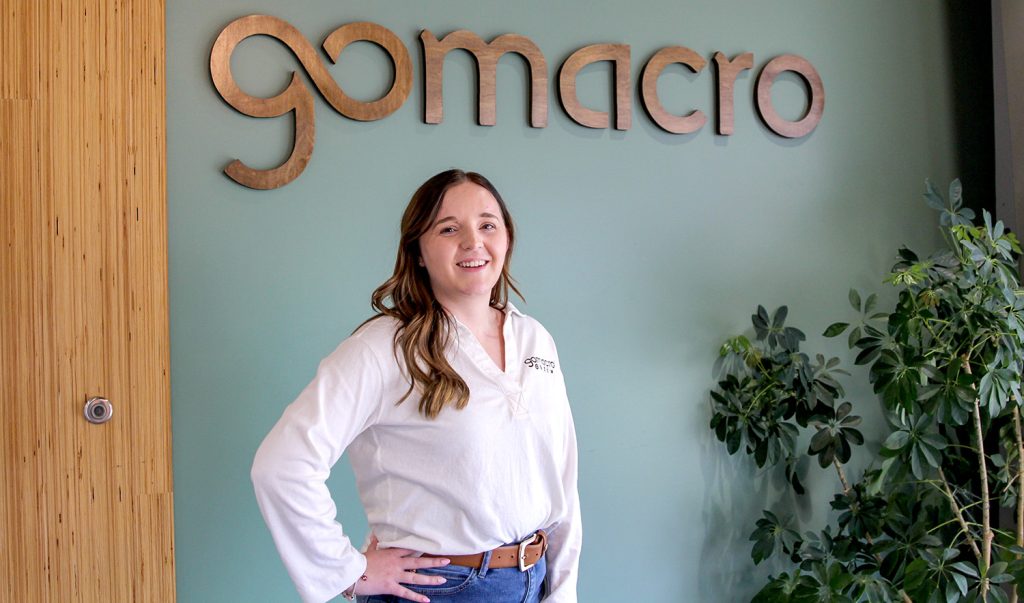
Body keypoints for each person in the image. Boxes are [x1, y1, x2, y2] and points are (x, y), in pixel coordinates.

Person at [251, 169, 582, 603]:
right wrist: (348, 571)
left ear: (507, 237)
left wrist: (561, 589)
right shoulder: (385, 347)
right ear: (419, 251)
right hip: (440, 592)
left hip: (532, 581)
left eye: (487, 225)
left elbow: (561, 476)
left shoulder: (535, 339)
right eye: (448, 229)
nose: (472, 242)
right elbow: (281, 465)